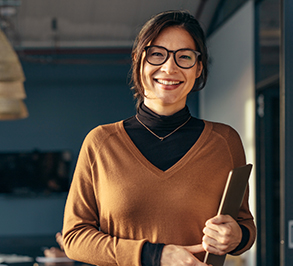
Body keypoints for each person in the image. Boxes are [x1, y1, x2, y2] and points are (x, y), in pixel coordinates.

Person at [62, 10, 256, 266]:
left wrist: (236, 237)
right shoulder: (101, 142)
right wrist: (155, 255)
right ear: (138, 61)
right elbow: (74, 239)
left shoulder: (224, 141)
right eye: (157, 54)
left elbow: (244, 225)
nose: (169, 67)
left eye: (184, 57)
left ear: (198, 68)